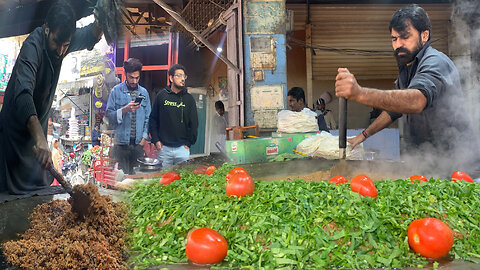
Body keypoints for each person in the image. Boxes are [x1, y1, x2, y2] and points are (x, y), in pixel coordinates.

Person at [335, 4, 479, 174]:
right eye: (394, 39)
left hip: (456, 165)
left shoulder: (435, 62)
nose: (398, 45)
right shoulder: (407, 67)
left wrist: (359, 93)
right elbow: (394, 110)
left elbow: (416, 101)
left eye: (405, 37)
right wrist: (364, 135)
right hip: (426, 161)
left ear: (424, 35)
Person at [0, 1, 103, 194]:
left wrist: (103, 18)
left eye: (66, 45)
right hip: (13, 136)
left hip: (35, 139)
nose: (60, 51)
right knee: (10, 198)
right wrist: (40, 139)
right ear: (47, 29)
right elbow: (23, 95)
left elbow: (90, 35)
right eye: (56, 43)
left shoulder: (62, 41)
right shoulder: (33, 46)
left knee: (38, 194)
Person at [106, 58, 151, 175]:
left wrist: (144, 139)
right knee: (121, 179)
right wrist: (124, 110)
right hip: (121, 145)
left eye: (137, 77)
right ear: (125, 74)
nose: (134, 81)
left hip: (138, 145)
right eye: (131, 77)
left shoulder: (144, 93)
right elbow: (108, 116)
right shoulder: (116, 91)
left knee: (136, 180)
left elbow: (148, 117)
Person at [149, 64, 198, 168]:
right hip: (164, 148)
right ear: (171, 78)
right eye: (179, 75)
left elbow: (194, 123)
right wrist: (156, 140)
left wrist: (189, 143)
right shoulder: (161, 96)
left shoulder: (189, 99)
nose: (182, 79)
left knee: (182, 180)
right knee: (163, 180)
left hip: (182, 150)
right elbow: (153, 119)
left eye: (184, 76)